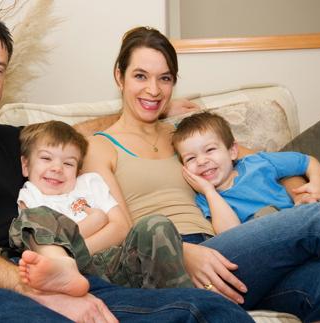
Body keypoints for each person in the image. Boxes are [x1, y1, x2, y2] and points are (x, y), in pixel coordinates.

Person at [0, 9, 255, 323]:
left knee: (209, 310)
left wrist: (151, 115)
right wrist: (36, 289)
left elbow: (72, 136)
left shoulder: (12, 142)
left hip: (43, 272)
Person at [80, 26, 320, 322]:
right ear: (119, 77)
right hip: (170, 261)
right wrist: (182, 252)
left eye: (164, 79)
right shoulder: (99, 146)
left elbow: (259, 164)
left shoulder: (183, 135)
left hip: (231, 247)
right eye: (140, 76)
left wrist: (303, 193)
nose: (153, 89)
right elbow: (121, 228)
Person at [10, 120, 191, 297]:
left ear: (78, 170)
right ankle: (64, 267)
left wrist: (74, 252)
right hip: (74, 272)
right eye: (46, 158)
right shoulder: (31, 195)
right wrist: (96, 221)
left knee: (156, 224)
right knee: (35, 218)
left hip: (115, 261)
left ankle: (184, 298)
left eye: (68, 163)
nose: (57, 168)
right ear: (26, 166)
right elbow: (43, 243)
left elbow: (121, 229)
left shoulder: (90, 183)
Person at [172, 111, 320, 234]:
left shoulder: (258, 163)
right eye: (190, 158)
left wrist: (318, 187)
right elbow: (231, 235)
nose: (201, 161)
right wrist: (209, 192)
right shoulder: (206, 200)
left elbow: (307, 161)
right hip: (267, 243)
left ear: (232, 151)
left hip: (299, 224)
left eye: (209, 149)